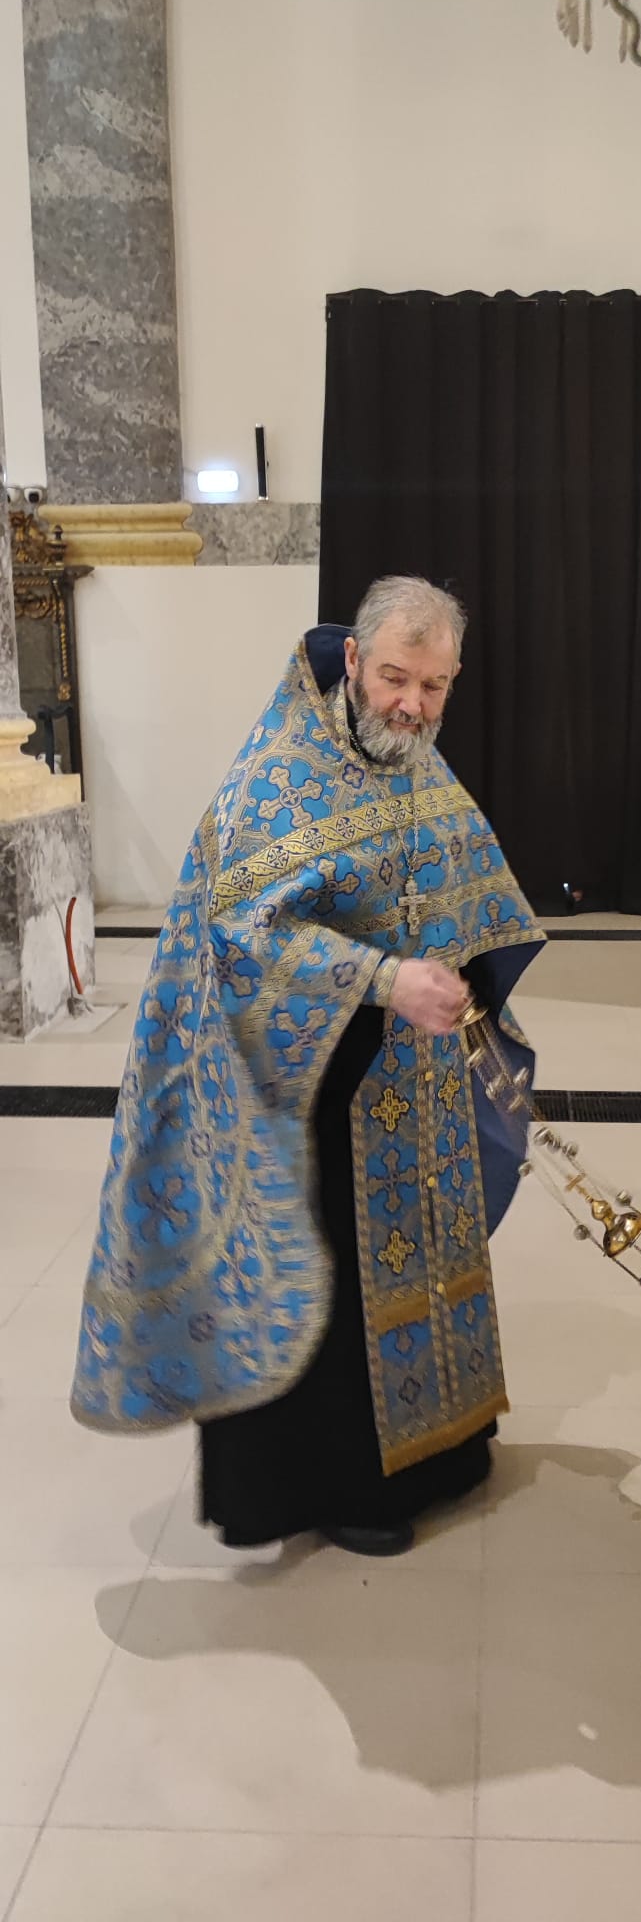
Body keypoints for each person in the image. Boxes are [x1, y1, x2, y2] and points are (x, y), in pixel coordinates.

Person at [72, 575, 545, 1555]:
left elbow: (463, 873)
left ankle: (437, 1455)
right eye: (396, 678)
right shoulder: (278, 775)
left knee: (421, 1257)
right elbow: (243, 932)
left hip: (412, 1078)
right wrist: (384, 978)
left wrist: (463, 969)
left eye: (435, 685)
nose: (411, 704)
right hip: (302, 1086)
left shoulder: (416, 761)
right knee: (333, 1280)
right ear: (355, 660)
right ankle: (334, 1487)